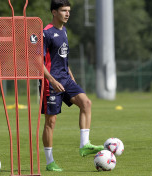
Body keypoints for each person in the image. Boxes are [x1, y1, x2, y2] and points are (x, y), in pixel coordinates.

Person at [41, 0, 104, 172]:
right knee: (51, 122)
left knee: (86, 103)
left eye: (69, 10)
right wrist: (53, 81)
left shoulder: (65, 31)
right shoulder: (46, 33)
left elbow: (63, 59)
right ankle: (50, 161)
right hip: (50, 82)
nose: (67, 14)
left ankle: (85, 144)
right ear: (54, 12)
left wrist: (72, 79)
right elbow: (37, 62)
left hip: (66, 79)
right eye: (63, 11)